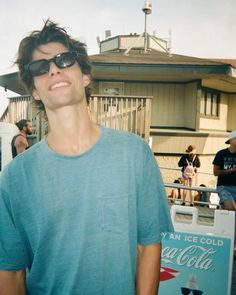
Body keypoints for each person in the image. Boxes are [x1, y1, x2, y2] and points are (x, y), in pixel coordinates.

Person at [0, 20, 173, 295]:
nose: (54, 69)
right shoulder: (15, 177)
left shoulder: (135, 154)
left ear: (85, 76)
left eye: (64, 59)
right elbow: (11, 272)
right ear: (33, 89)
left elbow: (148, 246)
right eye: (40, 67)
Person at [213, 130, 236, 210]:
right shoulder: (221, 153)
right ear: (231, 140)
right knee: (232, 208)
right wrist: (231, 170)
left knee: (230, 213)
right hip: (224, 186)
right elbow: (215, 172)